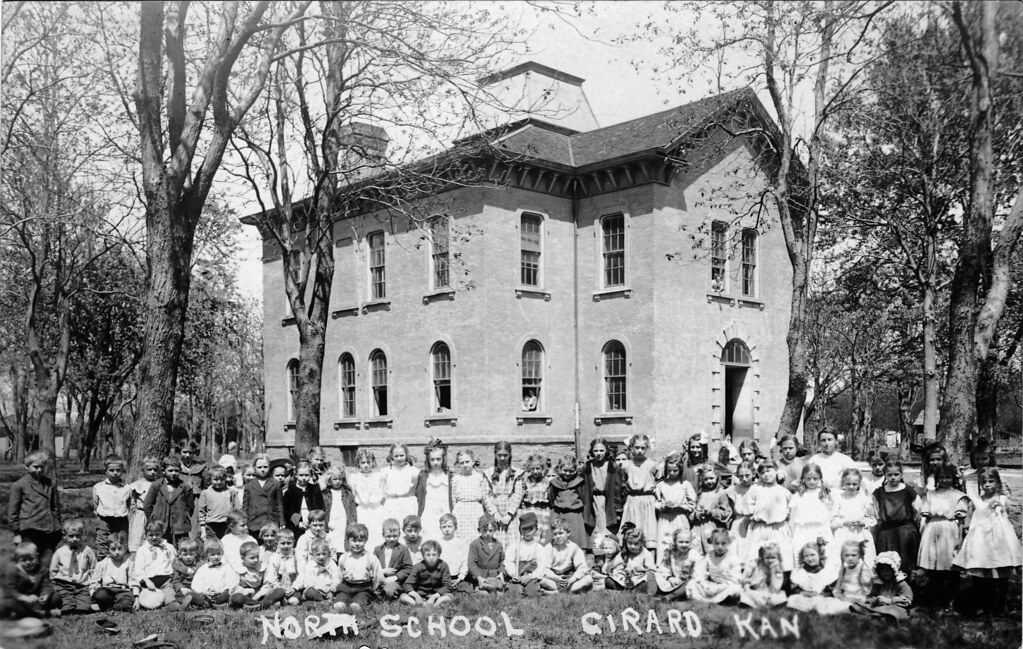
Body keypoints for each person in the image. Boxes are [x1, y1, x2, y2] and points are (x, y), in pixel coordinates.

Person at [953, 467, 1022, 617]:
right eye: (984, 482)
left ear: (998, 483)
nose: (987, 485)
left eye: (991, 481)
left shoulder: (1003, 500)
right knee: (981, 574)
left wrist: (1016, 532)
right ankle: (983, 604)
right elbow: (970, 519)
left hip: (1000, 542)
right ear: (980, 485)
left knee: (1001, 574)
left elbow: (1015, 516)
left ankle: (1000, 606)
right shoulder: (977, 501)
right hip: (981, 542)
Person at [918, 462, 969, 610]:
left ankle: (951, 600)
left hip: (950, 530)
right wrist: (923, 532)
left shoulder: (958, 496)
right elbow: (925, 516)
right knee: (934, 568)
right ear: (937, 478)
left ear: (953, 478)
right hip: (933, 530)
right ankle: (936, 598)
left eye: (948, 477)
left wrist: (959, 538)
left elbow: (960, 520)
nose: (945, 480)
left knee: (951, 568)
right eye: (942, 477)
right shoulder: (930, 494)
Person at [7, 450, 62, 570]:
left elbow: (55, 506)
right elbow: (13, 511)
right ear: (27, 467)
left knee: (47, 562)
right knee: (29, 561)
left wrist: (57, 524)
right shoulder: (19, 485)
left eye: (41, 467)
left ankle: (45, 584)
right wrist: (16, 533)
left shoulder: (49, 483)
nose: (39, 470)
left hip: (49, 529)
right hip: (30, 529)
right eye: (35, 467)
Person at [872, 460, 921, 572]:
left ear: (901, 475)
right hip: (887, 533)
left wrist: (910, 525)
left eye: (896, 474)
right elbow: (875, 511)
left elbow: (917, 509)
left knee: (906, 562)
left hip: (905, 531)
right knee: (886, 563)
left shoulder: (908, 491)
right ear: (885, 475)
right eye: (889, 475)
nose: (893, 477)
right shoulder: (879, 493)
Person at [744, 460, 793, 571]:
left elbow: (790, 509)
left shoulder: (783, 491)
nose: (766, 475)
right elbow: (748, 507)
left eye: (768, 471)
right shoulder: (756, 490)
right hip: (759, 528)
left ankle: (781, 582)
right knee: (756, 557)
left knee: (781, 557)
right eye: (762, 473)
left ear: (776, 471)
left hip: (778, 528)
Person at [789, 463, 835, 569]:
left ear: (820, 478)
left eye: (815, 478)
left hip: (820, 531)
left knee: (823, 558)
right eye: (808, 479)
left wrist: (827, 534)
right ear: (803, 479)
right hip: (802, 532)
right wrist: (792, 535)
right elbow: (792, 519)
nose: (812, 481)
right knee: (803, 558)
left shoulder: (824, 495)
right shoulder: (798, 496)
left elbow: (830, 516)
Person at [619, 435, 660, 553]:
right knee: (632, 528)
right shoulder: (626, 465)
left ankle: (650, 560)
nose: (640, 451)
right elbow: (622, 482)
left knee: (649, 529)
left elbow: (658, 482)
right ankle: (629, 558)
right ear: (631, 447)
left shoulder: (652, 464)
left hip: (648, 501)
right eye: (637, 447)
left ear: (647, 448)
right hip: (632, 500)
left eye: (643, 448)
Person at [654, 452, 697, 563]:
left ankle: (681, 566)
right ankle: (663, 567)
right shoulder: (661, 485)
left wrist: (681, 506)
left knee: (680, 542)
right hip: (664, 519)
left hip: (679, 518)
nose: (672, 473)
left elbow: (692, 504)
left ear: (681, 470)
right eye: (669, 470)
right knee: (665, 543)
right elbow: (656, 502)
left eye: (675, 470)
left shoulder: (685, 485)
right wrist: (662, 506)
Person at [787, 540, 848, 615]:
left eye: (813, 555)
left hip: (822, 598)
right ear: (802, 557)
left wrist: (820, 594)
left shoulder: (827, 571)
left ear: (820, 555)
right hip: (805, 598)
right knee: (793, 600)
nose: (809, 558)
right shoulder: (799, 572)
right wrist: (804, 593)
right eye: (806, 556)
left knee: (828, 605)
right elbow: (794, 589)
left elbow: (831, 590)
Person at [143, 455, 195, 544]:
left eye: (176, 471)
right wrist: (154, 519)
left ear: (180, 471)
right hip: (161, 526)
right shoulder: (157, 485)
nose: (173, 473)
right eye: (170, 470)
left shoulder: (185, 487)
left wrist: (183, 517)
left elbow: (190, 506)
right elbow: (147, 505)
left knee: (179, 549)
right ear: (163, 471)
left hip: (179, 526)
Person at [831, 468, 877, 568]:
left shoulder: (863, 498)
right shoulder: (838, 498)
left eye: (854, 484)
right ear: (843, 484)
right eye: (848, 484)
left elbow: (872, 519)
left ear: (859, 484)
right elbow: (832, 521)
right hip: (843, 535)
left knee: (863, 563)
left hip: (860, 534)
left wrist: (863, 522)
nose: (851, 487)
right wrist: (844, 522)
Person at [49, 519, 96, 615]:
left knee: (84, 609)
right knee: (67, 609)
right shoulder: (60, 552)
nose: (75, 539)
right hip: (64, 586)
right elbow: (53, 570)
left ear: (82, 535)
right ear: (65, 536)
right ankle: (67, 604)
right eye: (71, 536)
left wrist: (92, 582)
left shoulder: (87, 550)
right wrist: (55, 584)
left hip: (82, 586)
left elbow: (94, 566)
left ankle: (81, 603)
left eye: (78, 536)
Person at [0, 542, 58, 618]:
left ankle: (36, 612)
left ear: (37, 556)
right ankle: (41, 613)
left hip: (35, 599)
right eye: (23, 560)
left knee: (56, 597)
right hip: (20, 598)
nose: (28, 562)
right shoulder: (12, 570)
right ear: (17, 560)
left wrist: (44, 595)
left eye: (31, 559)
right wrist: (25, 598)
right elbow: (10, 589)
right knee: (8, 603)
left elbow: (46, 585)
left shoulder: (42, 570)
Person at [333, 523, 383, 612]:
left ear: (366, 541)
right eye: (354, 540)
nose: (357, 544)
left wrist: (373, 589)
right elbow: (339, 575)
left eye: (360, 540)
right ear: (348, 540)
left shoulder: (370, 558)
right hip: (346, 587)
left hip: (363, 588)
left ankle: (358, 606)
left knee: (355, 606)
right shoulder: (343, 557)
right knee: (339, 605)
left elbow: (378, 576)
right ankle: (342, 613)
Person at [851, 551, 913, 621]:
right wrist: (875, 600)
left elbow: (907, 601)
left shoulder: (900, 583)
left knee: (893, 612)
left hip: (895, 607)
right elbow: (871, 596)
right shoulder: (878, 582)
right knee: (858, 605)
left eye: (888, 569)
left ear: (894, 570)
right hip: (880, 607)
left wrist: (889, 601)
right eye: (882, 569)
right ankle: (874, 615)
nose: (885, 572)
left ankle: (879, 616)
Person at [687, 528, 743, 603]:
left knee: (735, 588)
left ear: (728, 543)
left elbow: (736, 578)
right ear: (712, 543)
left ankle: (715, 600)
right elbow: (700, 570)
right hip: (712, 584)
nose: (720, 547)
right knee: (692, 583)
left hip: (726, 585)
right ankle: (703, 600)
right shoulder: (710, 555)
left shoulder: (732, 557)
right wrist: (702, 582)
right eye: (717, 543)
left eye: (723, 544)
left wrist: (722, 586)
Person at [450, 449, 495, 542]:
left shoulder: (479, 477)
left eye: (467, 462)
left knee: (476, 537)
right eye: (462, 463)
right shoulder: (456, 479)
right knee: (460, 538)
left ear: (473, 462)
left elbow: (485, 497)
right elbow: (453, 498)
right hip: (460, 511)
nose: (465, 465)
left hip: (475, 511)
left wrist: (492, 513)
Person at [582, 439, 622, 545]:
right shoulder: (587, 466)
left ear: (606, 451)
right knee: (594, 526)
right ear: (591, 451)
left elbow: (617, 488)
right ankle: (596, 551)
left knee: (607, 526)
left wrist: (618, 507)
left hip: (607, 500)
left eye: (601, 450)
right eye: (596, 451)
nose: (599, 453)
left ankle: (608, 549)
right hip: (593, 500)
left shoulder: (612, 466)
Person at [92, 454, 130, 560]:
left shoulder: (126, 488)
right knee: (103, 542)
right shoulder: (98, 487)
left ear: (122, 471)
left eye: (118, 470)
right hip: (104, 520)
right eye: (111, 470)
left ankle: (121, 566)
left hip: (121, 520)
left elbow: (129, 504)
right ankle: (103, 566)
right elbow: (96, 503)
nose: (115, 473)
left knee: (121, 541)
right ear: (105, 471)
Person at [131, 520, 176, 609]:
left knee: (171, 599)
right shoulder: (142, 550)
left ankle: (172, 604)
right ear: (145, 535)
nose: (154, 537)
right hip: (148, 582)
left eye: (157, 534)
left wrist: (172, 577)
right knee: (147, 602)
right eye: (151, 535)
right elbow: (138, 569)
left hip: (165, 580)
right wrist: (146, 580)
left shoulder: (168, 547)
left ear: (162, 533)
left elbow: (173, 562)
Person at [549, 454, 589, 551]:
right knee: (558, 537)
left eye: (571, 471)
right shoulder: (554, 482)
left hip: (574, 515)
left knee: (575, 538)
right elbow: (551, 498)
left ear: (576, 470)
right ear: (560, 469)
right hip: (558, 514)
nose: (567, 473)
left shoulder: (579, 482)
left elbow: (584, 498)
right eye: (565, 470)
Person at [543, 516, 593, 594]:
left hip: (569, 578)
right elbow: (545, 568)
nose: (558, 536)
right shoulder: (549, 548)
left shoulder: (574, 548)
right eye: (555, 534)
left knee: (588, 579)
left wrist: (572, 579)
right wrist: (556, 578)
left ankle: (556, 592)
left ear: (568, 533)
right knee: (541, 580)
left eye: (561, 533)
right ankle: (566, 591)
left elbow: (582, 567)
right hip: (554, 578)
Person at [230, 541, 286, 609]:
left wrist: (263, 591)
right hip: (247, 596)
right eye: (252, 558)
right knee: (236, 597)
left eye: (257, 557)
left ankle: (261, 604)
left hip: (262, 594)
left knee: (280, 591)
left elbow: (269, 581)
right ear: (242, 557)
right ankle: (259, 605)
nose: (256, 560)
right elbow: (234, 587)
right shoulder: (237, 569)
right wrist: (245, 591)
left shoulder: (262, 567)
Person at [415, 441, 452, 544]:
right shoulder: (423, 476)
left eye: (438, 459)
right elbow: (418, 496)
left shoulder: (449, 476)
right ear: (428, 460)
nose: (435, 462)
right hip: (429, 513)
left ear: (443, 459)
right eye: (432, 459)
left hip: (445, 511)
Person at [242, 454, 284, 542]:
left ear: (269, 467)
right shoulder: (249, 485)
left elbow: (279, 505)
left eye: (265, 467)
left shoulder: (276, 484)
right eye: (259, 467)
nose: (262, 469)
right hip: (254, 522)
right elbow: (245, 506)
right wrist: (244, 523)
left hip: (271, 521)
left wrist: (282, 521)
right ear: (254, 467)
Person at [504, 512, 548, 597]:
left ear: (536, 529)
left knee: (533, 592)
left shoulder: (539, 548)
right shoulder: (514, 545)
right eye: (524, 529)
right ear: (520, 530)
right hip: (517, 575)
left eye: (530, 528)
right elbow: (508, 562)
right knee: (515, 592)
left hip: (531, 576)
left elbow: (542, 566)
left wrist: (531, 576)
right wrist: (513, 574)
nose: (527, 532)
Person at [489, 441, 524, 548]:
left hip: (511, 516)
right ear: (495, 455)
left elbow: (518, 494)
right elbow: (486, 495)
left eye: (505, 455)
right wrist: (495, 513)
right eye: (499, 455)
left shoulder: (516, 473)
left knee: (512, 544)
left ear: (510, 455)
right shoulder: (488, 473)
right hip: (495, 514)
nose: (503, 458)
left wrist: (509, 514)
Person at [349, 449, 386, 548]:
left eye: (368, 462)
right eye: (363, 462)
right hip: (362, 510)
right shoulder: (354, 478)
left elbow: (383, 493)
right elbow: (354, 494)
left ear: (373, 462)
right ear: (358, 463)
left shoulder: (379, 476)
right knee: (362, 534)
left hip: (376, 510)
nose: (366, 465)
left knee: (377, 534)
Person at [692, 463, 732, 555]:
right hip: (699, 528)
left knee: (713, 551)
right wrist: (697, 514)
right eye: (706, 479)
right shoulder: (699, 493)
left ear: (717, 477)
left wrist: (713, 512)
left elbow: (727, 512)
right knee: (698, 553)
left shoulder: (721, 493)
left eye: (711, 478)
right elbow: (693, 510)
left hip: (714, 527)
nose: (709, 481)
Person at [400, 539, 453, 606]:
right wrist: (416, 596)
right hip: (421, 594)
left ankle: (436, 604)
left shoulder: (443, 565)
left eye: (434, 555)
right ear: (423, 556)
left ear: (439, 555)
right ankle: (418, 603)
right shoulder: (418, 566)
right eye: (428, 555)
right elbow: (407, 585)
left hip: (438, 594)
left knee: (449, 596)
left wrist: (435, 596)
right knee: (403, 596)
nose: (431, 558)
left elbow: (447, 585)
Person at [189, 538, 238, 608]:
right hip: (206, 595)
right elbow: (196, 584)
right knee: (192, 594)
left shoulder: (226, 567)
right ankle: (206, 604)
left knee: (228, 595)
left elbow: (232, 581)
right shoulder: (203, 569)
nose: (216, 557)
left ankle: (219, 603)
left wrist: (221, 591)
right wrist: (204, 592)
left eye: (218, 554)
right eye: (212, 554)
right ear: (206, 555)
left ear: (222, 553)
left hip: (221, 594)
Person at [284, 460, 325, 539]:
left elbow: (320, 506)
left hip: (314, 521)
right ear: (296, 475)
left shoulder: (314, 489)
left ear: (310, 475)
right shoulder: (290, 490)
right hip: (296, 523)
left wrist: (313, 521)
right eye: (301, 475)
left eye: (306, 475)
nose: (304, 478)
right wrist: (298, 522)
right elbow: (288, 510)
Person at [292, 538, 341, 603]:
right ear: (312, 555)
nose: (321, 557)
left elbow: (336, 579)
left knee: (340, 590)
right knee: (309, 593)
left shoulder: (331, 563)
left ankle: (329, 599)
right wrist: (318, 589)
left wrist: (331, 590)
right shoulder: (310, 565)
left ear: (328, 553)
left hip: (329, 590)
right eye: (318, 554)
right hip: (316, 590)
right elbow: (308, 582)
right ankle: (323, 601)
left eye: (324, 554)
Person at [374, 518, 413, 600]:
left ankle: (386, 595)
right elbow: (372, 567)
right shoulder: (378, 549)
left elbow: (408, 568)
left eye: (395, 536)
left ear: (399, 534)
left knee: (389, 591)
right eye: (388, 536)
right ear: (383, 534)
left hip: (395, 582)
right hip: (380, 580)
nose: (391, 539)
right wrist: (382, 571)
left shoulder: (403, 549)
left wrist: (395, 577)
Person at [807, 427, 857, 492]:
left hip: (840, 495)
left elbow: (856, 479)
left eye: (829, 439)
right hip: (818, 495)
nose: (827, 443)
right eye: (823, 440)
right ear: (819, 442)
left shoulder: (845, 460)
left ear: (836, 441)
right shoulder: (814, 460)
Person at [128, 456, 161, 552]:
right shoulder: (137, 485)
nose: (152, 472)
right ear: (143, 470)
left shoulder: (159, 484)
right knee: (138, 538)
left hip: (155, 515)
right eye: (149, 469)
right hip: (140, 516)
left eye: (155, 469)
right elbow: (132, 503)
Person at [382, 444, 420, 526]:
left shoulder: (414, 472)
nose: (399, 458)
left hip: (408, 506)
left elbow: (416, 490)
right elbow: (382, 492)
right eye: (396, 456)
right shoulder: (385, 472)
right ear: (392, 456)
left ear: (406, 455)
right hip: (391, 506)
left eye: (402, 455)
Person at [739, 543, 787, 608]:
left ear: (777, 557)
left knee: (778, 597)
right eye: (767, 558)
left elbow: (776, 587)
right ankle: (749, 604)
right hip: (756, 591)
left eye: (773, 558)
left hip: (770, 592)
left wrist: (773, 571)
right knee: (746, 596)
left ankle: (771, 604)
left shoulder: (777, 568)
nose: (770, 560)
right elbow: (745, 578)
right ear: (762, 556)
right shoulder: (756, 564)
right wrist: (748, 590)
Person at [655, 528, 697, 601]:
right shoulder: (671, 552)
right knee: (655, 575)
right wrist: (669, 578)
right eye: (681, 542)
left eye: (687, 542)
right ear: (675, 542)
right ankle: (653, 593)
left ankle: (669, 597)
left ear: (690, 542)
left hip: (685, 581)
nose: (684, 544)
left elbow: (696, 573)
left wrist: (682, 579)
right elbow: (664, 568)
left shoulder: (694, 555)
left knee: (691, 583)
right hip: (673, 580)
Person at [467, 514, 505, 593]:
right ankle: (481, 587)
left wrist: (501, 573)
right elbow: (472, 564)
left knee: (499, 594)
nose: (487, 533)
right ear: (479, 530)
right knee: (484, 594)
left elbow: (502, 561)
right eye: (484, 530)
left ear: (495, 530)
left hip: (495, 576)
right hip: (481, 577)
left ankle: (496, 587)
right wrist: (479, 577)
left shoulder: (499, 544)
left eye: (490, 530)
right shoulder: (475, 544)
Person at [520, 454, 553, 544]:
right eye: (532, 469)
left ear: (542, 468)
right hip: (529, 511)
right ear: (529, 468)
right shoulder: (525, 481)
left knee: (542, 534)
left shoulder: (547, 481)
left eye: (538, 468)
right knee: (530, 532)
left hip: (543, 513)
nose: (535, 471)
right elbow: (521, 498)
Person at [197, 465, 237, 539]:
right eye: (215, 479)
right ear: (210, 479)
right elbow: (201, 513)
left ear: (226, 479)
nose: (219, 482)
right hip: (211, 526)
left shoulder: (231, 492)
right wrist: (203, 530)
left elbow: (237, 509)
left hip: (227, 525)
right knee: (213, 547)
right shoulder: (205, 493)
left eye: (222, 479)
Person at [725, 461, 755, 559]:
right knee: (736, 552)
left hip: (753, 524)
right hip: (738, 524)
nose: (744, 479)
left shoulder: (757, 488)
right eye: (741, 476)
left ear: (753, 474)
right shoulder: (733, 489)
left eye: (747, 475)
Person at [832, 540, 874, 607]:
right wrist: (839, 597)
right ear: (843, 556)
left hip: (860, 602)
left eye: (854, 555)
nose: (850, 558)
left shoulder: (863, 569)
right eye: (847, 555)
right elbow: (837, 589)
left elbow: (868, 591)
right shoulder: (843, 570)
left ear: (860, 555)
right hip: (845, 600)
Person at [436, 513, 469, 593]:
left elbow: (465, 562)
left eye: (450, 526)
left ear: (455, 528)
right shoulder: (438, 543)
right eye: (444, 527)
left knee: (466, 589)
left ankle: (454, 590)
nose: (447, 529)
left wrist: (460, 578)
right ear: (440, 528)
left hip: (456, 576)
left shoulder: (461, 543)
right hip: (441, 577)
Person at [266, 529, 300, 604]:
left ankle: (287, 599)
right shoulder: (274, 557)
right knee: (276, 603)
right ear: (277, 543)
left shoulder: (297, 557)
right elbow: (270, 576)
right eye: (283, 543)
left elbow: (302, 575)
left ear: (293, 543)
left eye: (289, 543)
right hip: (279, 588)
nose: (286, 546)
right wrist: (278, 587)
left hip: (293, 588)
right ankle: (278, 599)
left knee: (293, 601)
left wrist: (294, 588)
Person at [322, 465, 356, 538]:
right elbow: (323, 510)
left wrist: (353, 523)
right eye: (335, 479)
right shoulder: (325, 494)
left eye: (340, 479)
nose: (337, 481)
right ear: (330, 480)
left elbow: (353, 510)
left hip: (344, 520)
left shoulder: (347, 493)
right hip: (331, 520)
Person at [168, 537, 201, 610]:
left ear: (195, 554)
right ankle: (177, 604)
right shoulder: (178, 565)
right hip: (184, 590)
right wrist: (182, 588)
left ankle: (189, 605)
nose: (188, 557)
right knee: (180, 597)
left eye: (191, 554)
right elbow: (176, 581)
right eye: (185, 554)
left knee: (199, 597)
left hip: (196, 590)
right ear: (180, 554)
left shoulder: (199, 565)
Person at [221, 510, 258, 575]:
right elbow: (223, 560)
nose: (246, 527)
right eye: (242, 525)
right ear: (231, 526)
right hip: (231, 572)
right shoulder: (225, 541)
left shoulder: (250, 539)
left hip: (250, 572)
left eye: (246, 525)